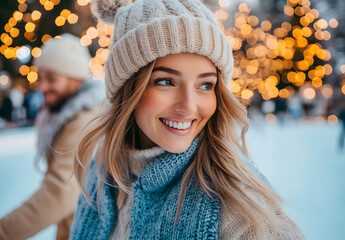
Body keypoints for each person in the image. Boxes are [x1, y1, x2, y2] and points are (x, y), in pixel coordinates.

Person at [70, 0, 305, 239]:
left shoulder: (237, 206)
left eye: (205, 85)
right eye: (165, 81)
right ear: (127, 88)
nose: (189, 106)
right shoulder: (101, 175)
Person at [0, 34, 105, 239]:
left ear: (75, 78)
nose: (42, 87)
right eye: (41, 78)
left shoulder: (83, 121)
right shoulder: (69, 115)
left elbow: (59, 191)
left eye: (51, 79)